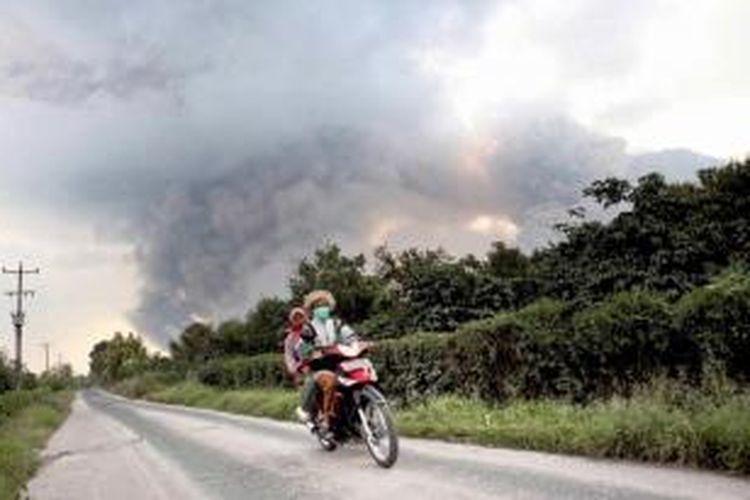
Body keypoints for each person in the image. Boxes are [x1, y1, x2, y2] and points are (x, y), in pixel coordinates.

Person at [294, 289, 358, 431]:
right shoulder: (308, 328)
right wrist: (310, 352)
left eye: (325, 304)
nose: (323, 308)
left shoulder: (336, 323)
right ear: (313, 309)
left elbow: (351, 337)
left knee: (360, 376)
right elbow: (300, 349)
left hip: (340, 364)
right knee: (330, 381)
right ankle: (325, 419)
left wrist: (358, 343)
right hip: (320, 367)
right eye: (318, 305)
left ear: (329, 306)